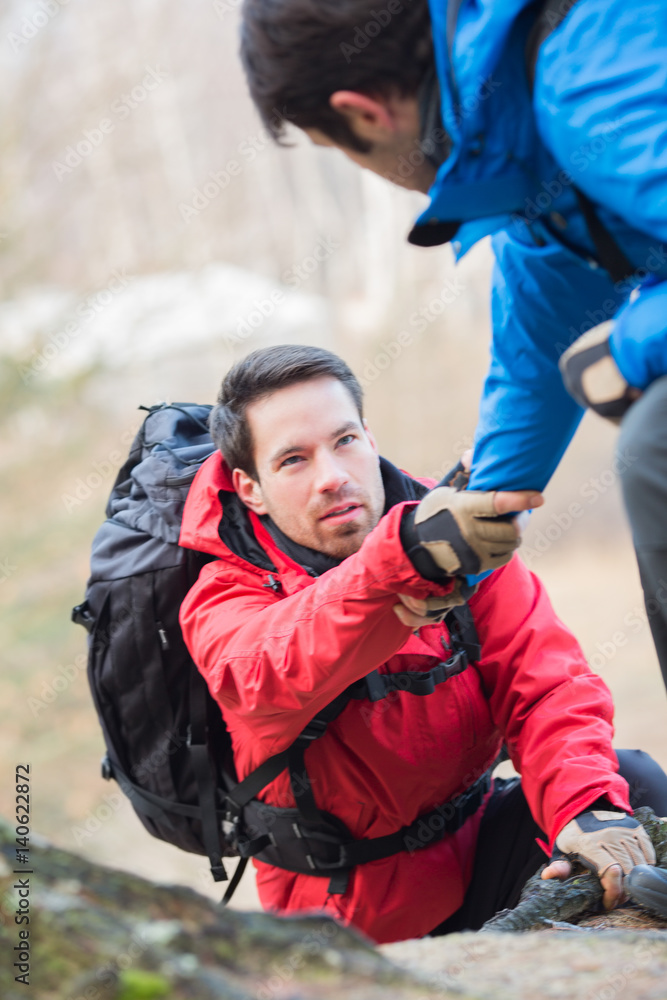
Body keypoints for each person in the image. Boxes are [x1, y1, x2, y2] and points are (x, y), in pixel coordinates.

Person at [238, 0, 667, 692]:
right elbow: (536, 345)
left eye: (341, 149)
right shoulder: (524, 129)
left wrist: (632, 347)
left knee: (656, 439)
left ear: (365, 113)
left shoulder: (590, 77)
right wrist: (461, 526)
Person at [179, 343, 667, 945]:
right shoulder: (224, 595)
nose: (333, 476)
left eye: (345, 440)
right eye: (293, 460)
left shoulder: (455, 532)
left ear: (370, 438)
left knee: (632, 782)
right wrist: (406, 560)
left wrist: (583, 809)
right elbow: (267, 670)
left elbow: (543, 681)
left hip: (476, 844)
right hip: (352, 915)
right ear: (250, 488)